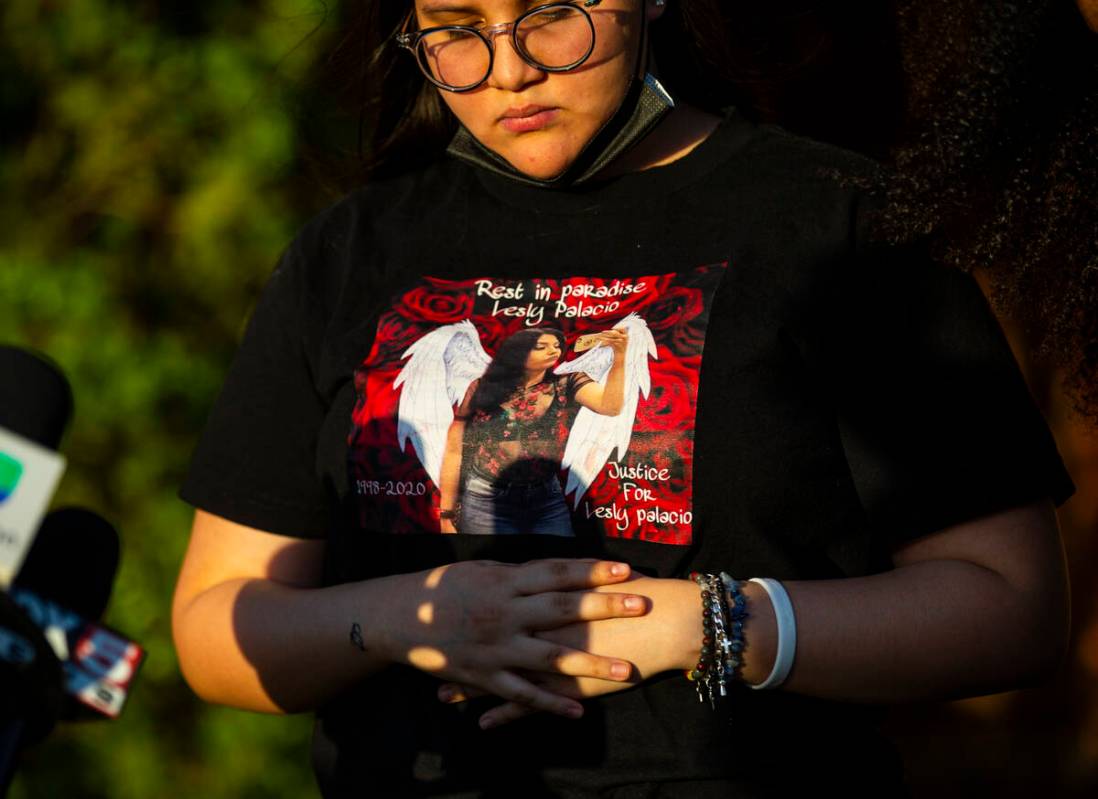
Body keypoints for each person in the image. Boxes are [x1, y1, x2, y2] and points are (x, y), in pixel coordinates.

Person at [172, 1, 1075, 796]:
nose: (511, 66)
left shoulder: (835, 219)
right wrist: (409, 617)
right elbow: (216, 626)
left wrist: (714, 624)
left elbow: (1012, 606)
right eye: (455, 31)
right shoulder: (347, 252)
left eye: (551, 12)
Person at [431, 327, 628, 536]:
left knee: (557, 565)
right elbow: (454, 451)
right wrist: (446, 513)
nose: (554, 351)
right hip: (485, 501)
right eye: (541, 347)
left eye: (557, 346)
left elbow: (610, 406)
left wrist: (620, 358)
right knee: (491, 566)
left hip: (546, 501)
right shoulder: (481, 388)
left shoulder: (567, 383)